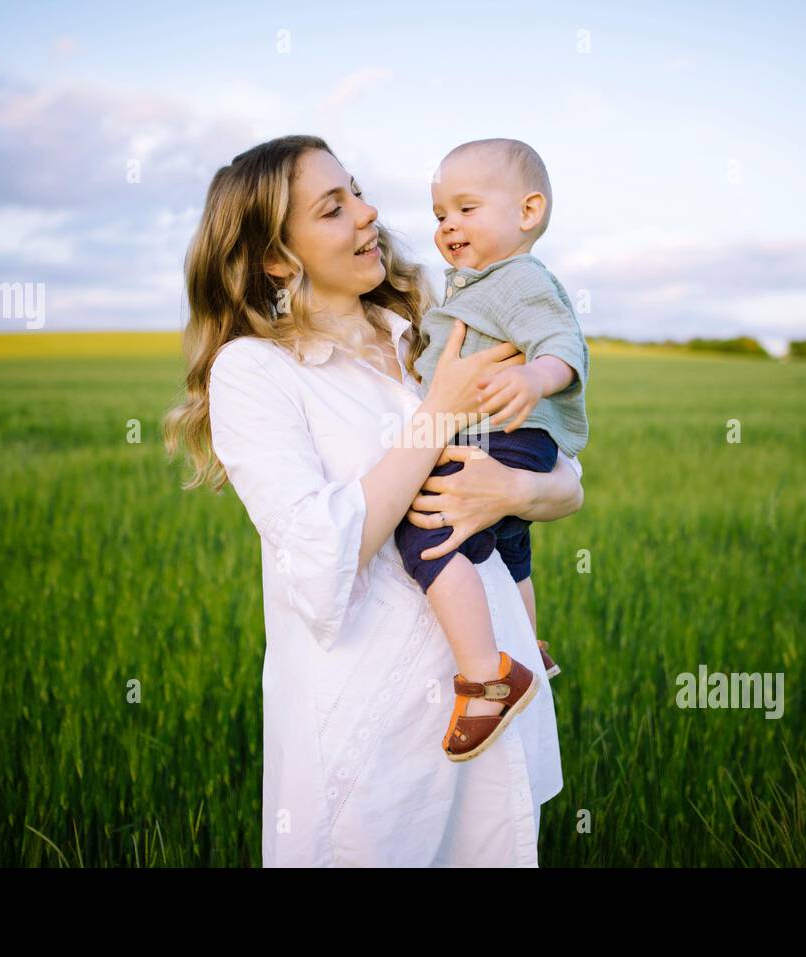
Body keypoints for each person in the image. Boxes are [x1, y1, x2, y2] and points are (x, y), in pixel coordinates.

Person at [163, 135, 586, 866]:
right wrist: (437, 416)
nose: (368, 213)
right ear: (274, 256)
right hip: (376, 744)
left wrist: (512, 490)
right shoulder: (255, 371)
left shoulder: (423, 335)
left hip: (492, 712)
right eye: (333, 208)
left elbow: (567, 480)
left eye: (356, 191)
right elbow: (318, 555)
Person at [393, 138, 590, 762]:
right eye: (439, 214)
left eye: (467, 208)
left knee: (426, 531)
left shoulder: (516, 280)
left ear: (527, 213)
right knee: (510, 550)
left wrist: (536, 377)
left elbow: (563, 343)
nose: (448, 224)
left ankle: (488, 679)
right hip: (508, 439)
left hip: (503, 434)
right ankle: (529, 647)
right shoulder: (477, 283)